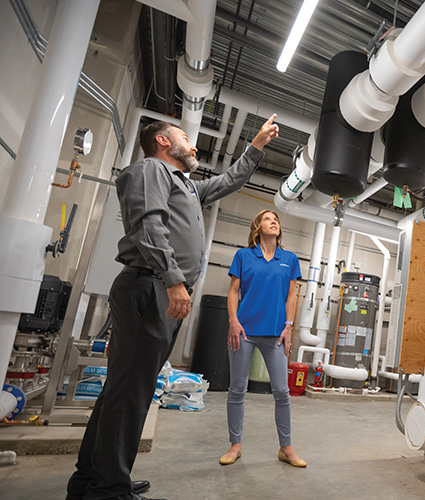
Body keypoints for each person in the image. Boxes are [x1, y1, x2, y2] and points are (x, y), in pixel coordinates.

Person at [67, 115, 280, 500]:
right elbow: (148, 225)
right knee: (130, 390)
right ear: (163, 141)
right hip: (151, 286)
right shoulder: (151, 169)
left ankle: (93, 479)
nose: (194, 146)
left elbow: (228, 182)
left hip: (159, 287)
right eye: (187, 138)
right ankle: (108, 490)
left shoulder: (188, 187)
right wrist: (174, 280)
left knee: (127, 389)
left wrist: (258, 146)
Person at [219, 209, 305, 468]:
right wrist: (234, 321)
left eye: (276, 220)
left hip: (275, 334)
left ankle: (286, 448)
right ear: (258, 227)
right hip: (244, 331)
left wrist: (289, 326)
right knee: (237, 389)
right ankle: (235, 445)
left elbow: (291, 296)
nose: (274, 222)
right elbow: (233, 292)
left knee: (282, 391)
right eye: (268, 219)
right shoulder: (244, 256)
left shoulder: (289, 259)